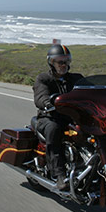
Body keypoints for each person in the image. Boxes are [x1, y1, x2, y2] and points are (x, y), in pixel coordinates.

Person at [32, 44, 83, 190]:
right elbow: (40, 96)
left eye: (66, 61)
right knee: (54, 130)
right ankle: (59, 175)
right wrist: (47, 103)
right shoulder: (44, 78)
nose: (63, 64)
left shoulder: (76, 79)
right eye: (59, 61)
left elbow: (89, 91)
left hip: (71, 117)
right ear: (51, 62)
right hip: (49, 117)